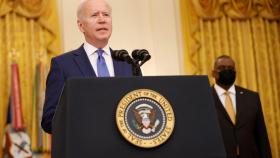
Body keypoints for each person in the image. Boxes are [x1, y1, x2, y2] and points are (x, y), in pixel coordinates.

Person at [41, 0, 135, 134]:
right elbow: (49, 120)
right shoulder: (62, 65)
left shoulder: (128, 63)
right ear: (81, 26)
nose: (102, 19)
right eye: (95, 15)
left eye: (106, 14)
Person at [211, 55, 272, 158]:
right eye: (222, 68)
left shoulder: (252, 98)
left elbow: (261, 137)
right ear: (213, 73)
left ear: (235, 72)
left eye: (230, 68)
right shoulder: (206, 98)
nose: (227, 71)